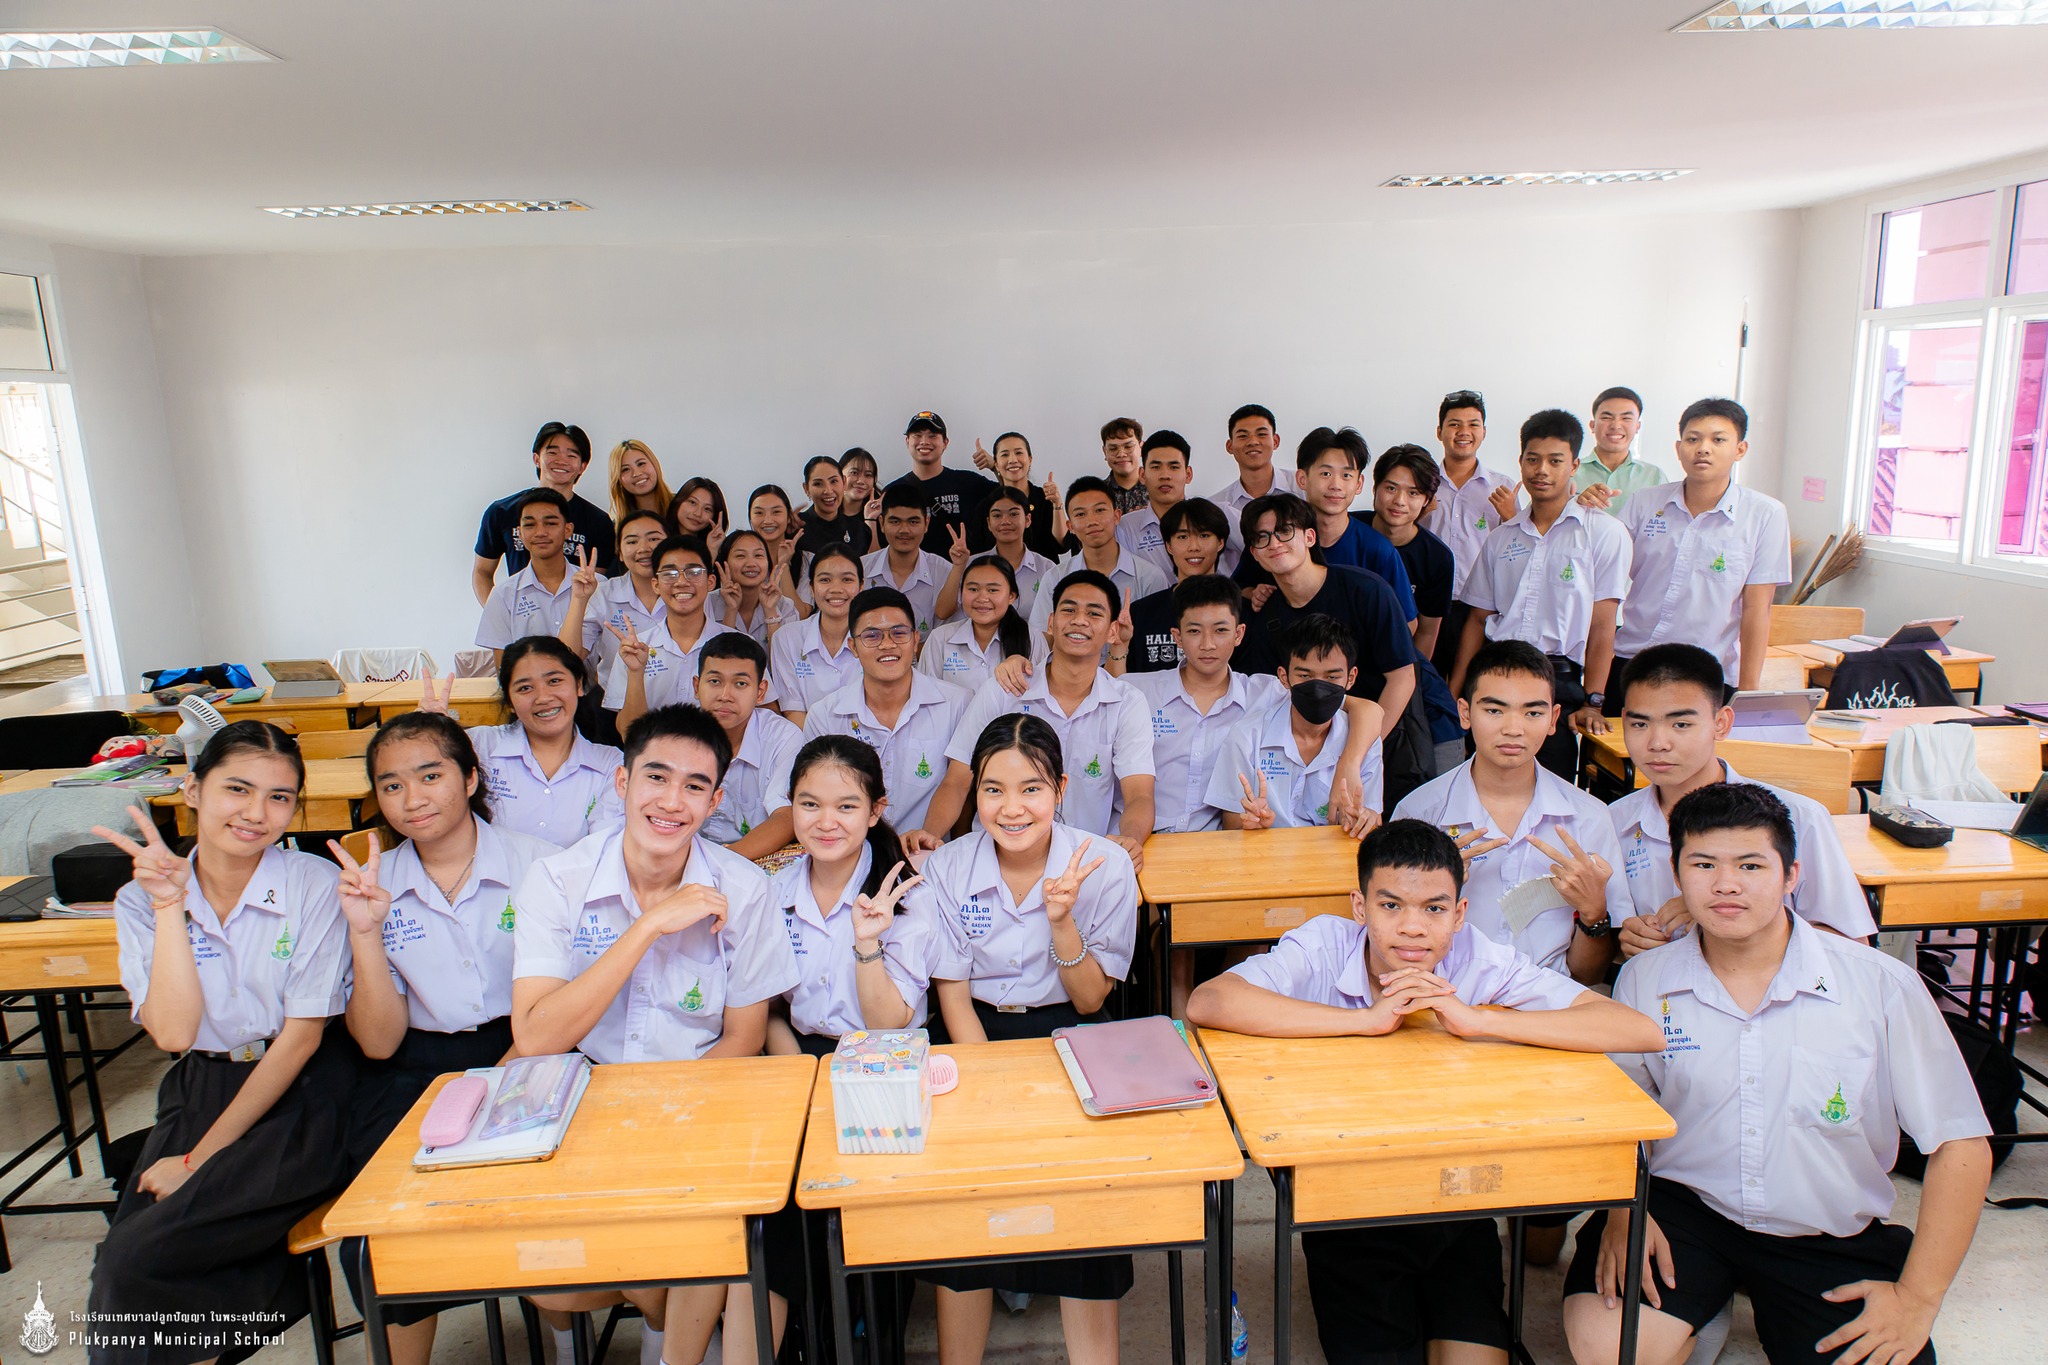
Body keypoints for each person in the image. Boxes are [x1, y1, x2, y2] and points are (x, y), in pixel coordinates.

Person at [1186, 820, 1662, 1365]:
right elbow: (1210, 1001)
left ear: (1459, 914)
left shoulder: (1479, 957)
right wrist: (1365, 1021)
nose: (1412, 928)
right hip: (1347, 1209)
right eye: (1391, 906)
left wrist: (1477, 1019)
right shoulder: (1324, 943)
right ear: (1360, 907)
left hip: (1457, 1205)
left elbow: (1637, 1030)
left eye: (1434, 909)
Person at [1563, 783, 1992, 1365]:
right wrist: (1623, 1213)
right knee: (1610, 1351)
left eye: (1751, 865)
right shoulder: (1646, 978)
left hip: (1822, 1234)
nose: (1726, 884)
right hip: (1685, 1213)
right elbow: (1623, 1113)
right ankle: (1703, 1302)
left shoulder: (1879, 985)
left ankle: (1739, 1300)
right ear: (1677, 875)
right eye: (1703, 865)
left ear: (1792, 875)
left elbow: (1961, 1144)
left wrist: (1918, 1298)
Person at [511, 704, 801, 1365]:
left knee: (711, 1226)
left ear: (715, 800)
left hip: (700, 1102)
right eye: (656, 777)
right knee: (543, 1258)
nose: (672, 801)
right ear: (622, 782)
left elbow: (744, 1035)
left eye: (695, 786)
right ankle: (655, 1322)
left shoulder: (742, 888)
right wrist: (646, 927)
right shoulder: (559, 880)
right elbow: (536, 1036)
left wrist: (667, 1120)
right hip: (585, 1102)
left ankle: (669, 1344)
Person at [87, 724, 355, 1365]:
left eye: (279, 797)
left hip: (302, 1091)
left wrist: (197, 1160)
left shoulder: (312, 883)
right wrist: (169, 906)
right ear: (192, 790)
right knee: (125, 1263)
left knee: (136, 1259)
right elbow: (175, 1033)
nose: (257, 813)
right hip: (201, 1085)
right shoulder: (139, 899)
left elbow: (301, 1039)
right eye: (238, 789)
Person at [332, 713, 559, 1365]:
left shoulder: (540, 864)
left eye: (430, 776)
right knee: (382, 1230)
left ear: (470, 778)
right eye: (392, 785)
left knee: (538, 1205)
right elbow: (378, 1043)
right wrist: (365, 931)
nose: (413, 798)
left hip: (530, 1049)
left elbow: (564, 1001)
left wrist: (497, 1079)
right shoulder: (370, 882)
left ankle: (563, 1335)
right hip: (412, 1067)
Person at [924, 715, 1140, 1365]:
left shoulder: (1103, 864)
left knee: (1085, 1208)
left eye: (1031, 789)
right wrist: (991, 1087)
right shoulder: (948, 866)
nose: (1011, 808)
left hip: (1070, 1032)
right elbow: (952, 992)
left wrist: (1061, 919)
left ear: (1061, 789)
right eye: (993, 790)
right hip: (973, 1036)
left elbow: (1092, 999)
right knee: (963, 1209)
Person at [1607, 644, 1877, 952]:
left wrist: (1729, 914)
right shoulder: (1614, 821)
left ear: (1721, 723)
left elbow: (1853, 946)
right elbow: (1610, 930)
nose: (1658, 743)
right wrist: (1626, 939)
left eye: (1680, 724)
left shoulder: (1799, 816)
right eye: (1640, 724)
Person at [1392, 641, 1628, 982]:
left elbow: (1587, 976)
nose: (1514, 729)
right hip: (1442, 994)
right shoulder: (1419, 813)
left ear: (1553, 719)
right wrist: (1428, 891)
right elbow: (1392, 942)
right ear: (1465, 713)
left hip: (1550, 1002)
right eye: (1494, 710)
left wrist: (1594, 913)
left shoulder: (1590, 817)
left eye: (1533, 713)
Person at [922, 572, 1155, 866]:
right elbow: (957, 781)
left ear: (1112, 632)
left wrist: (1130, 839)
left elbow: (1139, 794)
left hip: (1085, 862)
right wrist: (929, 836)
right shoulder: (1005, 690)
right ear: (1051, 622)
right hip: (998, 859)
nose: (1079, 620)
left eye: (1094, 613)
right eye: (1069, 610)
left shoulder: (1127, 703)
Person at [1448, 409, 1630, 782]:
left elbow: (1602, 625)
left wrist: (1594, 702)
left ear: (1574, 465)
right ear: (1521, 462)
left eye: (1555, 461)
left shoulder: (1603, 533)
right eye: (1533, 459)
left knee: (1552, 785)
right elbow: (1477, 621)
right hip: (1495, 672)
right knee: (1484, 782)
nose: (1541, 470)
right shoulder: (1501, 538)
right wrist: (1454, 695)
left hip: (1558, 680)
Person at [769, 735, 953, 1051]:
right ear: (791, 804)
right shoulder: (775, 890)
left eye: (846, 807)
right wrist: (795, 1064)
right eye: (810, 804)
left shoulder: (908, 897)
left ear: (874, 811)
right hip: (796, 1052)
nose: (826, 823)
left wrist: (867, 944)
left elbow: (888, 1023)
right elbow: (768, 1007)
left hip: (887, 1054)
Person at [1607, 398, 1791, 702]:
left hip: (1707, 673)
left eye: (1718, 440)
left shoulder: (1765, 514)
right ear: (1679, 448)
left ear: (1740, 449)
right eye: (1693, 439)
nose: (1703, 448)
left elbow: (1757, 609)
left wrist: (1747, 692)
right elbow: (1605, 576)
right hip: (1633, 662)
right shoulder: (1645, 502)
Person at [1236, 494, 1416, 742]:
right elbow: (1274, 694)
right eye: (1262, 537)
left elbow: (1402, 678)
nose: (1274, 543)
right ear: (1254, 553)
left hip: (1382, 734)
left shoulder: (1366, 590)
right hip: (1309, 743)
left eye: (1285, 531)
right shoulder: (1265, 613)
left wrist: (1365, 749)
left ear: (1310, 537)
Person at [804, 587, 970, 836]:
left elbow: (958, 784)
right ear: (853, 647)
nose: (887, 645)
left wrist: (924, 840)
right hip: (852, 848)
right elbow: (818, 795)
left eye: (899, 633)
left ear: (916, 640)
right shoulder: (825, 715)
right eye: (872, 636)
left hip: (928, 849)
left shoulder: (957, 704)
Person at [1207, 613, 1385, 833]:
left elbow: (1373, 821)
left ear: (1351, 678)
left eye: (1331, 677)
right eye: (1305, 676)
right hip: (1264, 853)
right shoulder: (1247, 736)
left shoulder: (1364, 742)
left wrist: (1364, 821)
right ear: (1284, 677)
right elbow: (1231, 823)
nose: (1318, 688)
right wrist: (1253, 825)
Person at [440, 638, 624, 847]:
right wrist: (429, 736)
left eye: (554, 681)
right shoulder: (480, 745)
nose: (543, 698)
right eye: (525, 688)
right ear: (509, 701)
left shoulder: (609, 764)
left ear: (579, 685)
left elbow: (604, 847)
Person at [1370, 445, 1465, 781]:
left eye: (1413, 493)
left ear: (1427, 500)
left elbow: (1426, 632)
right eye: (1391, 488)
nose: (1399, 501)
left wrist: (1405, 685)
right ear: (1374, 488)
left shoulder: (1437, 557)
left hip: (1401, 666)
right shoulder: (1348, 529)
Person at [603, 534, 751, 732]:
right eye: (669, 574)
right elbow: (627, 733)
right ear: (656, 584)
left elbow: (762, 716)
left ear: (710, 581)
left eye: (693, 572)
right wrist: (636, 672)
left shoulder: (741, 645)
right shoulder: (635, 649)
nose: (681, 582)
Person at [1275, 426, 1417, 623]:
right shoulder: (1277, 541)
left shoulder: (1379, 551)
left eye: (1346, 476)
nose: (1336, 485)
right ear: (1302, 478)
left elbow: (1407, 624)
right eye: (1326, 474)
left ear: (1359, 484)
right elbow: (1243, 590)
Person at [1422, 391, 1518, 681]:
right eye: (1454, 424)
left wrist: (1511, 517)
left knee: (1473, 684)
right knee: (1426, 681)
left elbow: (1519, 548)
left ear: (1484, 432)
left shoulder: (1502, 486)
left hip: (1479, 608)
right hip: (1427, 602)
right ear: (1439, 432)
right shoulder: (1423, 482)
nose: (1464, 432)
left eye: (1473, 424)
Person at [473, 421, 617, 606]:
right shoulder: (502, 511)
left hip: (577, 617)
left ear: (582, 466)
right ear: (536, 458)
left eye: (571, 455)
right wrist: (499, 614)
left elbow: (598, 583)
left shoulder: (599, 521)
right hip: (522, 614)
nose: (561, 460)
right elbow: (482, 572)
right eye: (552, 452)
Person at [1025, 476, 1170, 651]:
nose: (1092, 521)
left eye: (1100, 510)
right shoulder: (1055, 578)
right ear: (1070, 526)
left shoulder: (1150, 577)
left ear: (1117, 516)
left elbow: (1158, 641)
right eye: (1080, 514)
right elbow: (1042, 642)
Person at [694, 632, 805, 860]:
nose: (725, 695)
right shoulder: (677, 735)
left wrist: (718, 866)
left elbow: (786, 817)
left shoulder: (782, 737)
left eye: (740, 684)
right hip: (686, 856)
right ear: (697, 686)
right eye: (715, 681)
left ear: (760, 692)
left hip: (756, 860)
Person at [1123, 497, 1235, 675]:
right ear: (1168, 545)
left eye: (1204, 536)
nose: (1193, 547)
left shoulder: (1239, 609)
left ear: (1220, 542)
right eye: (1183, 537)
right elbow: (1121, 682)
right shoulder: (1140, 613)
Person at [562, 509, 669, 686]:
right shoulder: (604, 593)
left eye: (654, 539)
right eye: (632, 541)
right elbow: (567, 658)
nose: (644, 548)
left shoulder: (687, 591)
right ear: (619, 553)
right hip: (617, 698)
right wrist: (578, 599)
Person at [475, 489, 580, 664]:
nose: (540, 532)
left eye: (550, 523)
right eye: (530, 525)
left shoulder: (597, 587)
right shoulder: (503, 595)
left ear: (568, 529)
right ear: (520, 532)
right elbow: (504, 669)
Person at [769, 544, 865, 728]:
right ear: (812, 588)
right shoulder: (787, 638)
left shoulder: (876, 639)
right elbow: (793, 711)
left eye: (846, 579)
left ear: (861, 586)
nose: (836, 589)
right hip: (808, 742)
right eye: (825, 580)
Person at [884, 410, 997, 555]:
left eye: (932, 435)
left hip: (963, 567)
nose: (924, 441)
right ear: (907, 441)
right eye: (917, 435)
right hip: (914, 569)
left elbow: (1014, 497)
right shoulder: (893, 491)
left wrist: (995, 466)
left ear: (945, 442)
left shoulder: (968, 482)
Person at [919, 554, 1032, 695]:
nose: (982, 598)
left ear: (1011, 596)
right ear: (961, 593)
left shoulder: (1032, 637)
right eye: (973, 589)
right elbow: (926, 695)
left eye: (992, 590)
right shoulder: (940, 638)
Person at [939, 485, 1056, 621]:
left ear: (1028, 520)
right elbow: (942, 613)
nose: (1005, 521)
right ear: (989, 523)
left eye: (1013, 514)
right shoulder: (971, 565)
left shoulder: (1046, 569)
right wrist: (958, 566)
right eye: (997, 515)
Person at [1208, 403, 1299, 574]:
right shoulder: (1216, 507)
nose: (1253, 442)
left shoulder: (1302, 486)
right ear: (1229, 446)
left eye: (1262, 434)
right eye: (1243, 436)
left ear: (1275, 441)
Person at [863, 484, 955, 633]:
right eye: (895, 522)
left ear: (926, 524)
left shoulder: (945, 573)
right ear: (881, 523)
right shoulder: (861, 569)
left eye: (913, 522)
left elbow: (948, 633)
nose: (904, 530)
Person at [966, 431, 1067, 561]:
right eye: (1005, 455)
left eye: (1019, 453)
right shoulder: (987, 504)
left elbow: (1061, 545)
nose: (1013, 460)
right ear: (996, 464)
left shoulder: (1044, 498)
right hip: (997, 572)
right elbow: (978, 550)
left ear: (1030, 459)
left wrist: (1057, 504)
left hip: (1042, 573)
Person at [1115, 430, 1195, 578]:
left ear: (1188, 474)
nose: (1165, 476)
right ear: (1142, 475)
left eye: (1174, 467)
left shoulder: (1211, 515)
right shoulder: (1125, 528)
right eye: (1156, 467)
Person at [1573, 387, 1666, 508]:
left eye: (1626, 418)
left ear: (1637, 426)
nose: (1616, 426)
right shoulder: (1569, 473)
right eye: (1606, 417)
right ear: (1592, 425)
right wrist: (1575, 504)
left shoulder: (1654, 476)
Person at [711, 528, 799, 646]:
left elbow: (783, 657)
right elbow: (719, 655)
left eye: (758, 555)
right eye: (740, 556)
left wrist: (771, 612)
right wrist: (731, 610)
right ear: (724, 563)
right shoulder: (708, 604)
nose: (751, 563)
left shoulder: (786, 607)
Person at [794, 454, 873, 568]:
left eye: (834, 481)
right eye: (818, 484)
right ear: (806, 489)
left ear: (844, 482)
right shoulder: (795, 528)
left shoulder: (860, 530)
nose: (828, 490)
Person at [744, 484, 803, 603]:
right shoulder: (741, 560)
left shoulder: (806, 560)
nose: (768, 521)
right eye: (759, 513)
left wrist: (783, 565)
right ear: (750, 518)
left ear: (789, 517)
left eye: (776, 512)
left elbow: (800, 612)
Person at [607, 439, 674, 526]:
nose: (636, 473)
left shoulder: (683, 508)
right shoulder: (617, 528)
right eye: (625, 469)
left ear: (654, 464)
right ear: (618, 479)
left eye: (641, 464)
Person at [1099, 416, 1149, 514]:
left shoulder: (1157, 489)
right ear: (1105, 452)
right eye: (1113, 449)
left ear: (1141, 448)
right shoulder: (1097, 494)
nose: (1121, 454)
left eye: (1128, 447)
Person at [667, 476, 729, 555]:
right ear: (678, 501)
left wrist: (712, 551)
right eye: (693, 502)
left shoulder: (718, 549)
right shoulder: (659, 536)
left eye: (707, 509)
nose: (698, 514)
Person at [838, 448, 882, 549]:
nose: (861, 481)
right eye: (854, 473)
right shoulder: (828, 512)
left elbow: (876, 557)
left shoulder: (880, 516)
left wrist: (870, 520)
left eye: (868, 475)